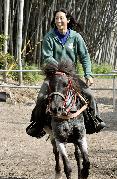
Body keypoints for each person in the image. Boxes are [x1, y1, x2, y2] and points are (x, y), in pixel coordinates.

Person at [26, 8, 106, 138]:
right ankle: (37, 124)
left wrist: (88, 74)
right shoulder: (49, 37)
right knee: (41, 97)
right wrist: (59, 68)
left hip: (71, 75)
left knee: (89, 95)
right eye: (56, 18)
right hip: (53, 75)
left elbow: (84, 56)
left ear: (67, 20)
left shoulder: (76, 37)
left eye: (61, 18)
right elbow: (47, 57)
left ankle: (95, 120)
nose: (58, 21)